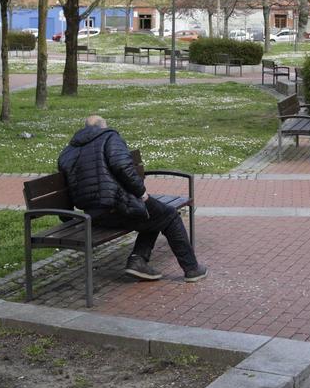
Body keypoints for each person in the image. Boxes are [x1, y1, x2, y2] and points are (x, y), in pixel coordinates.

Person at [58, 115, 207, 282]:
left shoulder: (67, 152)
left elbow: (67, 193)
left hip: (93, 216)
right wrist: (141, 193)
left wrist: (70, 220)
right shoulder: (109, 137)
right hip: (117, 208)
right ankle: (192, 269)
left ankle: (138, 261)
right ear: (103, 126)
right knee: (169, 215)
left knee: (154, 213)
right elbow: (122, 166)